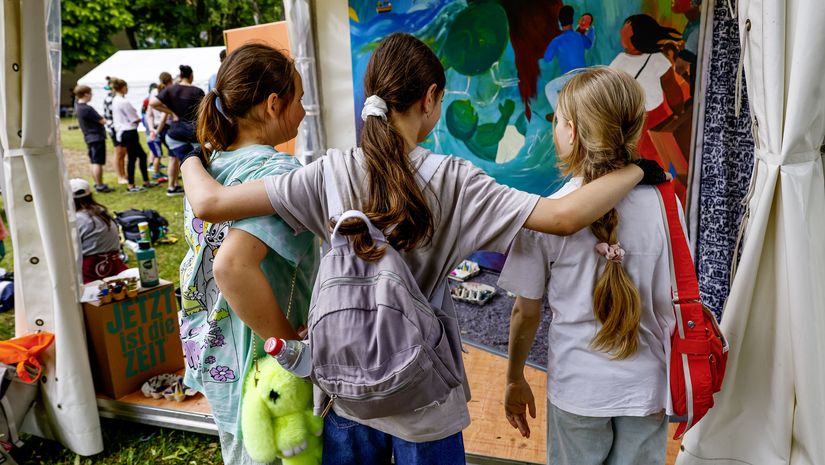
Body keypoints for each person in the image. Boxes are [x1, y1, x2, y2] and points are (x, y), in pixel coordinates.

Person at [178, 33, 667, 464]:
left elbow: (210, 202)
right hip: (424, 396)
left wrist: (188, 161)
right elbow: (562, 217)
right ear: (431, 98)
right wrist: (635, 169)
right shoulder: (457, 181)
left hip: (346, 391)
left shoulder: (327, 172)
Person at [498, 67, 680, 465]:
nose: (554, 129)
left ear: (573, 132)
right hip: (647, 388)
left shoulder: (546, 216)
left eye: (558, 121)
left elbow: (524, 313)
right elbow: (672, 296)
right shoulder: (668, 204)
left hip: (579, 389)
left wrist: (514, 377)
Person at [178, 43, 318, 465]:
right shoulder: (276, 174)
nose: (305, 111)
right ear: (275, 104)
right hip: (266, 360)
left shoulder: (212, 168)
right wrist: (291, 348)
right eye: (301, 99)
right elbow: (232, 266)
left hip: (220, 352)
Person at [610, 14, 684, 169]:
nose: (621, 33)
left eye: (625, 32)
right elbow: (672, 88)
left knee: (644, 147)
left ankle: (661, 176)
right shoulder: (620, 60)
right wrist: (678, 110)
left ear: (637, 38)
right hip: (642, 115)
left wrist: (678, 110)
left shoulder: (654, 59)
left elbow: (671, 88)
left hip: (650, 114)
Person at [150, 65, 205, 196]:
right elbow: (204, 112)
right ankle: (195, 190)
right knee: (195, 163)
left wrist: (171, 112)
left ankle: (171, 187)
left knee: (174, 159)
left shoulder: (171, 90)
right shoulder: (197, 91)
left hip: (174, 133)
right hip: (193, 132)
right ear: (191, 76)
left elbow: (153, 103)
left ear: (180, 77)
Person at [71, 178, 128, 283]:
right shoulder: (102, 212)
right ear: (90, 195)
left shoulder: (76, 219)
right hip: (116, 267)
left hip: (91, 272)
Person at [543, 5, 595, 118]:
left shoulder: (556, 41)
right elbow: (589, 44)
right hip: (584, 76)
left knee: (549, 88)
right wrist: (591, 29)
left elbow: (547, 58)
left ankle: (560, 114)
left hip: (570, 78)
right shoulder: (579, 36)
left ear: (559, 22)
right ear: (572, 20)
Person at [111, 78, 156, 192]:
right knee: (133, 158)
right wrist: (140, 119)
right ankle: (131, 185)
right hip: (129, 131)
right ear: (122, 87)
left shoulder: (115, 100)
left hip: (122, 131)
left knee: (141, 156)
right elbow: (134, 118)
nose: (127, 89)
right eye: (126, 87)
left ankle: (145, 181)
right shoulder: (123, 101)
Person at [73, 85, 114, 193]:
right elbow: (102, 121)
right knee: (97, 162)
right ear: (86, 94)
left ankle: (97, 183)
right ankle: (100, 185)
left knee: (93, 161)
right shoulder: (87, 108)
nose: (91, 96)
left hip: (89, 137)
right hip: (96, 137)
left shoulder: (78, 107)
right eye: (90, 93)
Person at [102, 78, 128, 185]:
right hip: (114, 129)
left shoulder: (116, 97)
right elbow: (112, 116)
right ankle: (120, 176)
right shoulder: (110, 98)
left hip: (119, 128)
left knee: (123, 152)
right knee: (119, 153)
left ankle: (123, 174)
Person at [142, 83, 169, 183]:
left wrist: (151, 129)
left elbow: (148, 115)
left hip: (153, 129)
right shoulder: (163, 100)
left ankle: (155, 170)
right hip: (158, 129)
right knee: (158, 155)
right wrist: (155, 131)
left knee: (155, 154)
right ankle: (156, 172)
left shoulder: (152, 95)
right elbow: (162, 118)